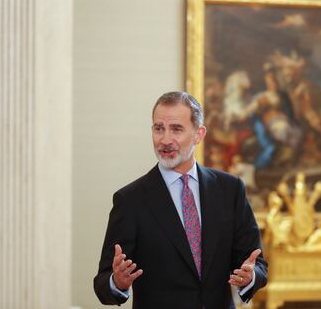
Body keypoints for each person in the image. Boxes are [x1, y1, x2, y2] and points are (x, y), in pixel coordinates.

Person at [93, 91, 268, 309]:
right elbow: (103, 283)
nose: (165, 140)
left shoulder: (230, 190)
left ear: (199, 134)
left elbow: (257, 264)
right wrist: (116, 282)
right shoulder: (130, 200)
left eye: (176, 129)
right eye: (159, 129)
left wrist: (250, 277)